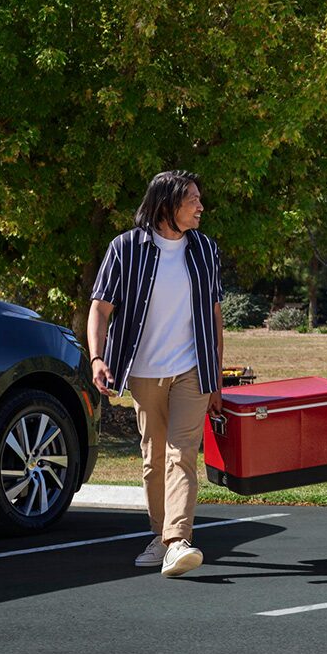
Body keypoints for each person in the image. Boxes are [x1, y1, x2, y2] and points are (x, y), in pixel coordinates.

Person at [85, 171, 226, 578]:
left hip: (192, 368)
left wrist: (215, 375)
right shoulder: (126, 248)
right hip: (143, 370)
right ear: (167, 204)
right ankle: (160, 535)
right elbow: (100, 308)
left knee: (182, 454)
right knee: (154, 457)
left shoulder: (205, 250)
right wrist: (97, 358)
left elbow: (215, 317)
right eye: (193, 200)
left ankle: (178, 540)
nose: (200, 207)